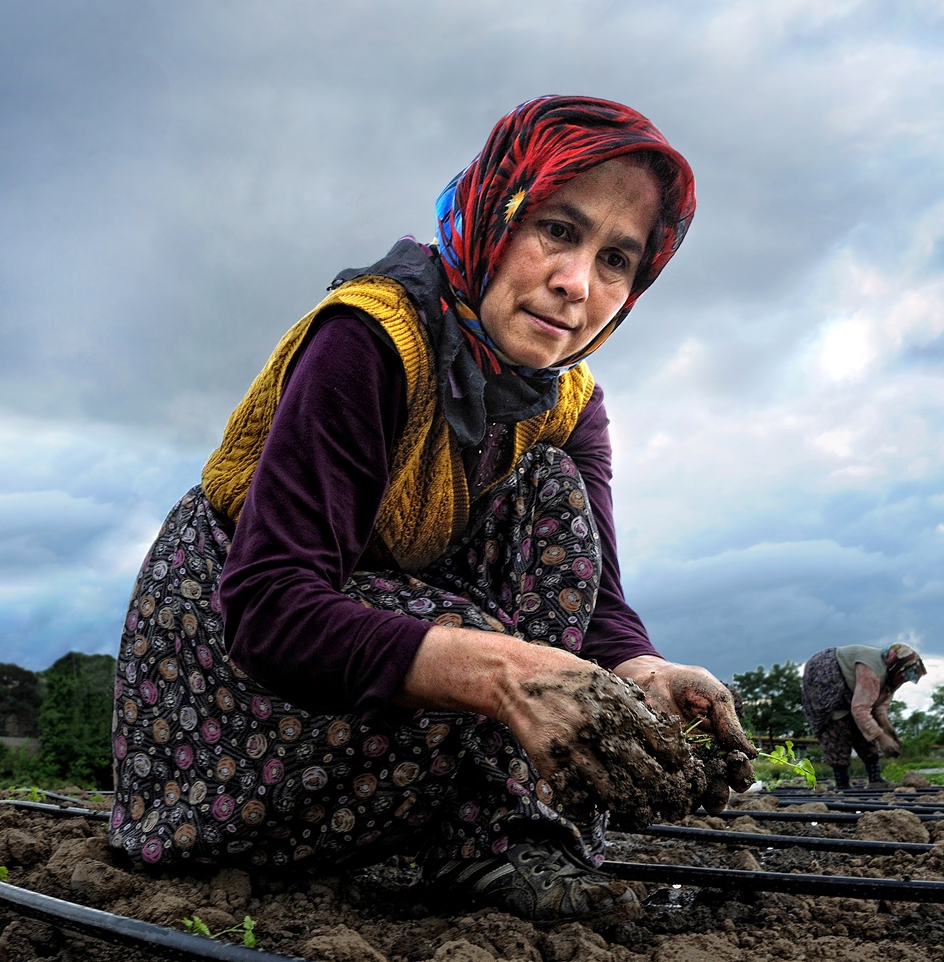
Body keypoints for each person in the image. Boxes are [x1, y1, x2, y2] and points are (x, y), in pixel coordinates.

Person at [110, 95, 756, 922]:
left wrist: (646, 674)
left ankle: (498, 842)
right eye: (558, 230)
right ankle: (468, 830)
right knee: (481, 635)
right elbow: (270, 607)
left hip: (382, 637)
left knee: (549, 489)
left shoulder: (570, 404)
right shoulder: (371, 341)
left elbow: (596, 609)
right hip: (226, 672)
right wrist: (505, 670)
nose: (575, 283)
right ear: (498, 212)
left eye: (617, 261)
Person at [800, 643, 926, 790]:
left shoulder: (890, 679)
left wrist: (890, 732)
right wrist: (882, 738)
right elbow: (860, 709)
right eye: (904, 676)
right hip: (827, 675)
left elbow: (878, 709)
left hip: (851, 690)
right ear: (896, 667)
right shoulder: (873, 671)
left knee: (864, 726)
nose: (903, 681)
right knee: (838, 726)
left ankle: (875, 779)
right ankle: (842, 784)